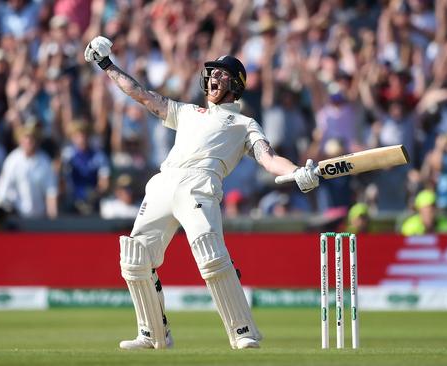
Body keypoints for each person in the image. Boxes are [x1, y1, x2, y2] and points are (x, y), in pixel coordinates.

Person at [84, 36, 319, 350]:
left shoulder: (244, 123)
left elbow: (269, 158)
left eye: (222, 74)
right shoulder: (185, 111)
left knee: (211, 257)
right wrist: (106, 64)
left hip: (200, 185)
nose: (214, 77)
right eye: (213, 72)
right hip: (164, 182)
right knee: (134, 257)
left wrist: (296, 172)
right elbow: (140, 95)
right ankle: (153, 334)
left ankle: (243, 332)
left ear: (236, 84)